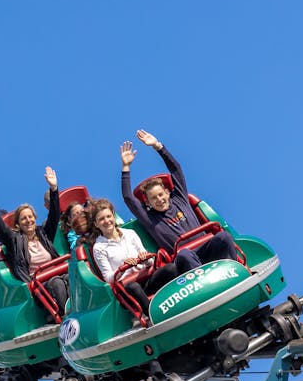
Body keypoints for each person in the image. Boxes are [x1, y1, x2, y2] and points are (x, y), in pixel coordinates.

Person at [121, 129, 242, 269]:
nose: (159, 199)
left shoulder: (180, 199)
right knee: (184, 254)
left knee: (223, 237)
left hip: (207, 248)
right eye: (153, 198)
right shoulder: (150, 219)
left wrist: (158, 147)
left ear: (167, 192)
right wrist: (126, 166)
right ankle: (203, 284)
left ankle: (233, 270)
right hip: (187, 261)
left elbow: (176, 169)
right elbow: (128, 198)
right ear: (147, 203)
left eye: (160, 194)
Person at [0, 168, 68, 321]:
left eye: (30, 217)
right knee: (57, 283)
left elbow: (54, 215)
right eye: (23, 218)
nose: (28, 221)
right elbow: (1, 227)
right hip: (38, 282)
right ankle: (65, 318)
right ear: (18, 224)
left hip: (57, 273)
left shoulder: (43, 234)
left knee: (71, 277)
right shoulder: (15, 240)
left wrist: (53, 189)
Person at [90, 199, 183, 321]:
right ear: (96, 224)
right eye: (102, 219)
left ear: (113, 215)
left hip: (146, 278)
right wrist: (123, 268)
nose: (107, 221)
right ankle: (155, 316)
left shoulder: (130, 234)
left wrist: (145, 259)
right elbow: (108, 278)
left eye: (109, 216)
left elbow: (150, 262)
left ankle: (179, 303)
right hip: (128, 289)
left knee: (171, 268)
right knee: (133, 287)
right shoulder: (99, 247)